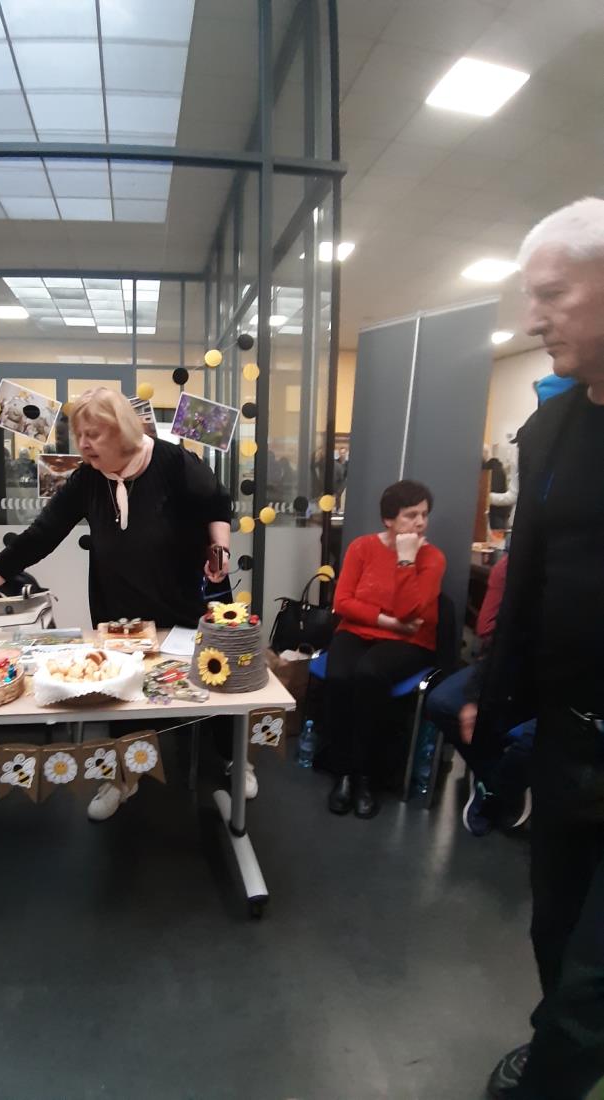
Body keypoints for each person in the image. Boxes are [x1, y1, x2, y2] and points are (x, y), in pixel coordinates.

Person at [0, 387, 242, 820]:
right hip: (120, 611)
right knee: (122, 694)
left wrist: (219, 549)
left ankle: (233, 760)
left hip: (185, 602)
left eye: (95, 434)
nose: (85, 445)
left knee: (210, 685)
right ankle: (123, 778)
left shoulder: (173, 462)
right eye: (80, 435)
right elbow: (34, 541)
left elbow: (216, 503)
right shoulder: (88, 478)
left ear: (122, 432)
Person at [476, 197, 604, 1100]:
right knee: (553, 927)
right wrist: (494, 693)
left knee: (590, 988)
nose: (532, 318)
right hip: (567, 737)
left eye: (552, 294)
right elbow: (525, 578)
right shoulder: (551, 429)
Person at [325, 480, 445, 819]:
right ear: (388, 520)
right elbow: (342, 602)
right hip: (360, 631)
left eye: (424, 515)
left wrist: (406, 560)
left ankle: (365, 776)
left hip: (410, 642)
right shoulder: (362, 548)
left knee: (369, 675)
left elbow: (410, 613)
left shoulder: (432, 558)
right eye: (411, 515)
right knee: (339, 676)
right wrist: (387, 621)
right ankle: (343, 773)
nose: (420, 523)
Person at [424, 553, 532, 836]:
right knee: (443, 703)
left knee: (535, 738)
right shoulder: (516, 567)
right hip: (510, 663)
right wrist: (474, 697)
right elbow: (491, 632)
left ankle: (500, 785)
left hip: (572, 681)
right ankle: (491, 777)